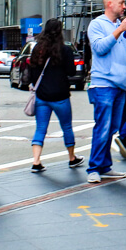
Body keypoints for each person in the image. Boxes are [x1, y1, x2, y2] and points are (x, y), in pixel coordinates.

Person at [85, 0, 126, 183]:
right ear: (110, 4)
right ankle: (94, 167)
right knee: (103, 126)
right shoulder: (97, 24)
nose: (124, 6)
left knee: (112, 127)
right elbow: (100, 48)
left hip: (120, 83)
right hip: (103, 83)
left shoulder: (121, 26)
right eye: (122, 3)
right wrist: (119, 31)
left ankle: (104, 166)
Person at [28, 18, 85, 171]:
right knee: (66, 127)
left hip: (42, 96)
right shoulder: (64, 49)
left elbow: (32, 72)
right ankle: (72, 158)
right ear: (59, 31)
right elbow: (71, 72)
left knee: (40, 128)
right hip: (61, 95)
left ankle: (36, 161)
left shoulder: (37, 48)